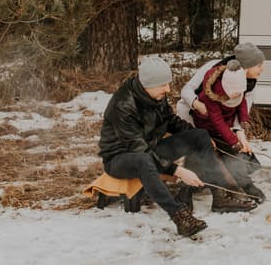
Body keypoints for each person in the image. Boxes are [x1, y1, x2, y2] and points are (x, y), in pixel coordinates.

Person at [98, 57, 256, 238]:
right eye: (163, 85)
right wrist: (178, 171)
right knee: (144, 160)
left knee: (200, 135)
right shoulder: (123, 106)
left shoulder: (155, 96)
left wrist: (200, 137)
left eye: (168, 84)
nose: (168, 89)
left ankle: (220, 196)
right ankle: (180, 217)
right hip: (121, 158)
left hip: (150, 148)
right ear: (146, 84)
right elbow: (139, 150)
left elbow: (171, 122)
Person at [190, 57, 266, 203]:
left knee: (234, 154)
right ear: (226, 89)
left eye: (240, 93)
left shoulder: (238, 92)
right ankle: (228, 189)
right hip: (207, 127)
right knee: (224, 153)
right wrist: (233, 141)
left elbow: (242, 104)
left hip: (224, 126)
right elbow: (217, 122)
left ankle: (247, 185)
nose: (238, 96)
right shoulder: (211, 96)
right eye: (235, 93)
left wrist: (243, 121)